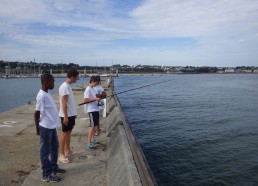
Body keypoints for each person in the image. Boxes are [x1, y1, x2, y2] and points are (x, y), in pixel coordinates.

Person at [34, 74, 65, 183]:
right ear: (46, 81)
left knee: (55, 147)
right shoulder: (41, 96)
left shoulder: (47, 93)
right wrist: (37, 128)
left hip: (51, 127)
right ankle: (46, 174)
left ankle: (54, 167)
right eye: (52, 81)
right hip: (45, 127)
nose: (54, 83)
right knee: (45, 151)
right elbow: (37, 113)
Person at [58, 68, 79, 163]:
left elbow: (69, 102)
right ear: (72, 77)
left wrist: (73, 114)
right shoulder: (65, 87)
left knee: (69, 132)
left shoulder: (68, 86)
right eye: (77, 77)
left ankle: (68, 150)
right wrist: (65, 116)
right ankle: (61, 154)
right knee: (64, 133)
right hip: (66, 115)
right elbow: (64, 102)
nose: (77, 79)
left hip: (70, 114)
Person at [83, 76, 102, 150]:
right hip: (91, 110)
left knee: (95, 125)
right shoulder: (88, 89)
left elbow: (94, 98)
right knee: (92, 126)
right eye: (96, 83)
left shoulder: (93, 89)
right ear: (93, 81)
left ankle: (93, 139)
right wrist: (95, 99)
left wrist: (98, 99)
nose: (96, 85)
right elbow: (85, 100)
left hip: (95, 109)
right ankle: (88, 143)